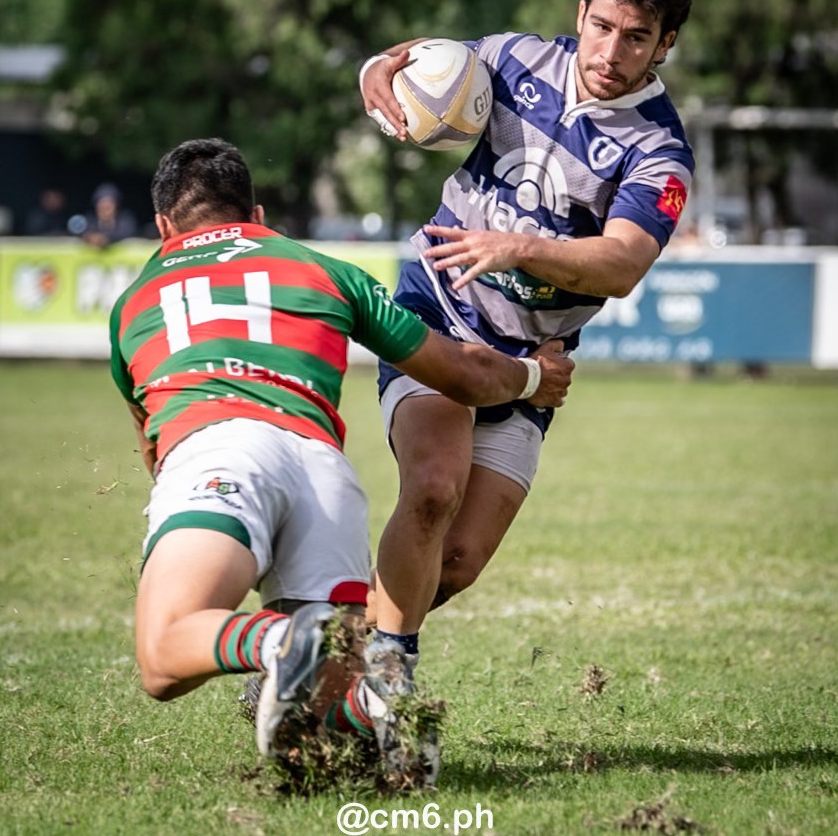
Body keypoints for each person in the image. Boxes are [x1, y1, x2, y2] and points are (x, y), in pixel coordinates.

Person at [109, 138, 573, 775]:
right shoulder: (322, 269)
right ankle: (380, 713)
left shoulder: (134, 302)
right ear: (258, 216)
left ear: (164, 227)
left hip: (218, 453)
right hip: (324, 476)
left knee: (163, 656)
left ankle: (283, 640)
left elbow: (154, 448)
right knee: (322, 719)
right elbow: (461, 373)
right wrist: (531, 378)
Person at [358, 0, 694, 709]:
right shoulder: (512, 59)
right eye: (601, 26)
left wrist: (518, 248)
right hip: (438, 310)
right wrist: (375, 68)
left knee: (458, 561)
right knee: (433, 489)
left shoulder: (658, 150)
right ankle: (384, 692)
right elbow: (413, 61)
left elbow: (620, 264)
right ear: (580, 14)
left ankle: (315, 650)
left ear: (664, 44)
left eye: (635, 37)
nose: (609, 52)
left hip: (531, 364)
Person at [75, 182, 138, 247]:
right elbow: (79, 234)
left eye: (109, 204)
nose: (105, 207)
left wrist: (106, 239)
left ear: (116, 205)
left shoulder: (126, 220)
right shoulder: (89, 221)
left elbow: (128, 235)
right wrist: (89, 238)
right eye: (102, 204)